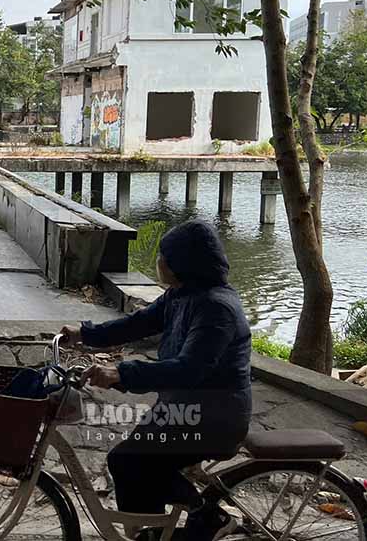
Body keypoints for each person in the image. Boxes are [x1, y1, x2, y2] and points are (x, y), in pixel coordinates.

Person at [61, 220, 251, 541]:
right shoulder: (180, 295)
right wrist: (86, 333)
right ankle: (151, 532)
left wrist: (121, 373)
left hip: (215, 418)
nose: (159, 262)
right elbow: (138, 323)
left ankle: (208, 516)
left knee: (130, 461)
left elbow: (188, 369)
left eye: (166, 256)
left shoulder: (217, 309)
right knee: (128, 462)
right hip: (182, 410)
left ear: (184, 262)